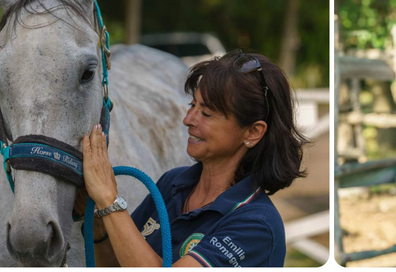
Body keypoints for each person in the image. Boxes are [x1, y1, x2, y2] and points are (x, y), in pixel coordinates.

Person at [81, 49, 307, 267]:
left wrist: (109, 198)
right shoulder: (172, 184)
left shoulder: (257, 225)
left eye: (206, 114)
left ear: (253, 132)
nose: (188, 119)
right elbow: (118, 264)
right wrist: (99, 224)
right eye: (192, 106)